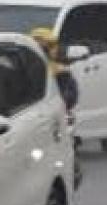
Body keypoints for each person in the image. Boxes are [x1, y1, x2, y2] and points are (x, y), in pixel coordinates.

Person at [31, 27, 82, 187]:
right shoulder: (23, 69)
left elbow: (71, 95)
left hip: (56, 119)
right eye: (39, 47)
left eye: (45, 47)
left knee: (66, 143)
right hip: (33, 120)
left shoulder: (60, 72)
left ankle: (71, 169)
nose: (43, 51)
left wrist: (58, 106)